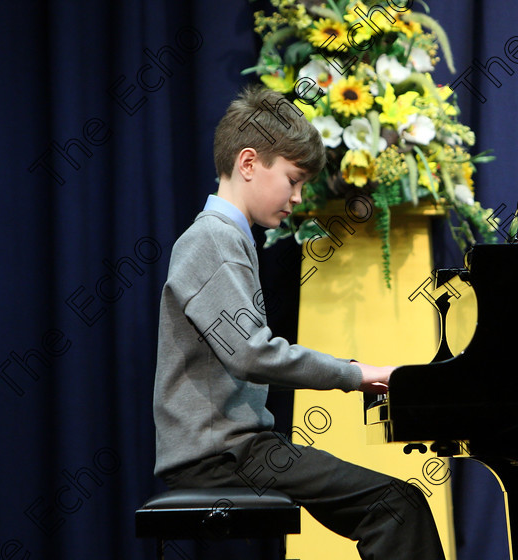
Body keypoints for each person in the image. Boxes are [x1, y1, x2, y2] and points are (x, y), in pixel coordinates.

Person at [152, 84, 446, 560]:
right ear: (248, 164)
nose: (298, 197)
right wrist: (357, 374)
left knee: (396, 504)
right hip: (220, 456)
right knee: (397, 506)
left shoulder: (227, 237)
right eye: (292, 180)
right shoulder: (210, 240)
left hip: (238, 449)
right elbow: (252, 352)